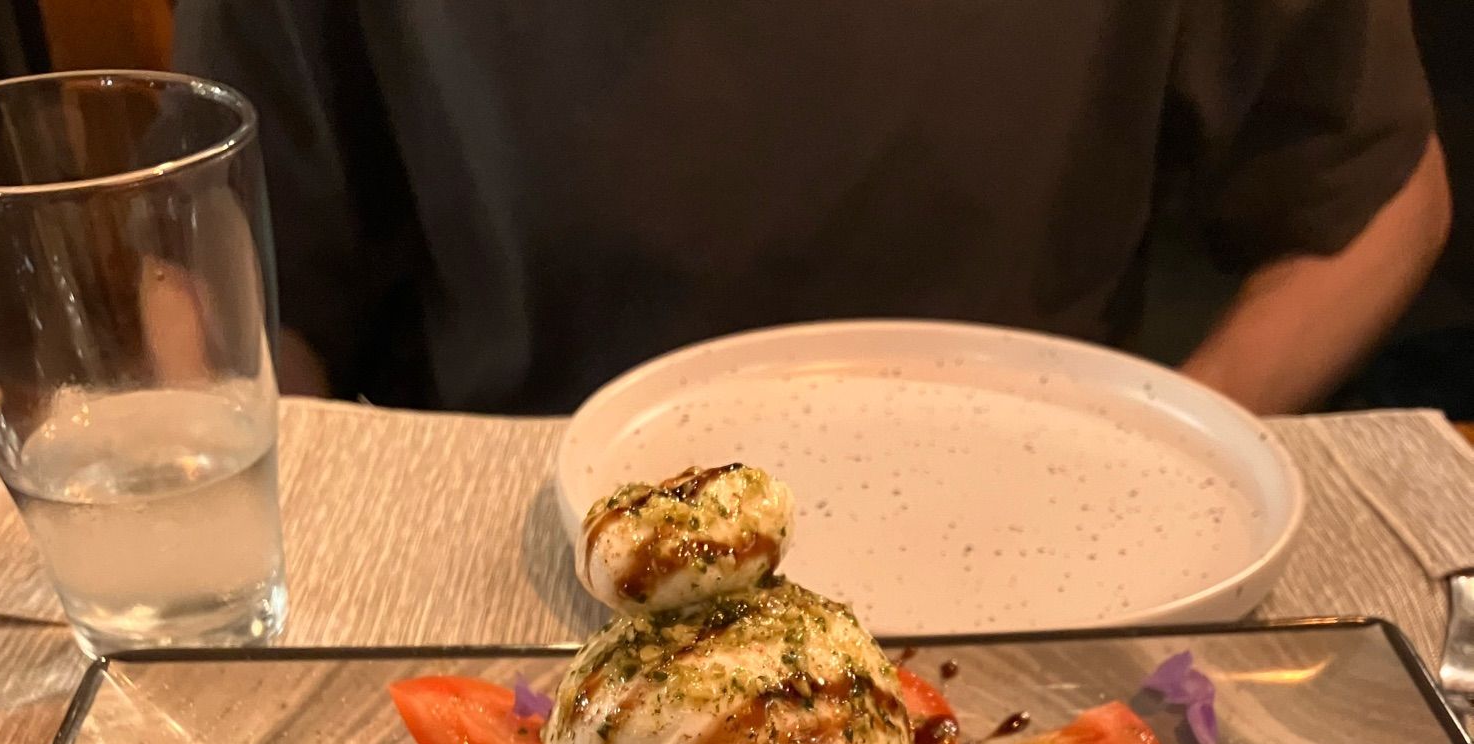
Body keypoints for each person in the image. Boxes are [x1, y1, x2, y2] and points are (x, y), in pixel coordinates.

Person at [173, 0, 1450, 418]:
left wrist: (1170, 467)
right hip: (514, 564)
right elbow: (222, 290)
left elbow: (1376, 190)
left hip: (1025, 537)